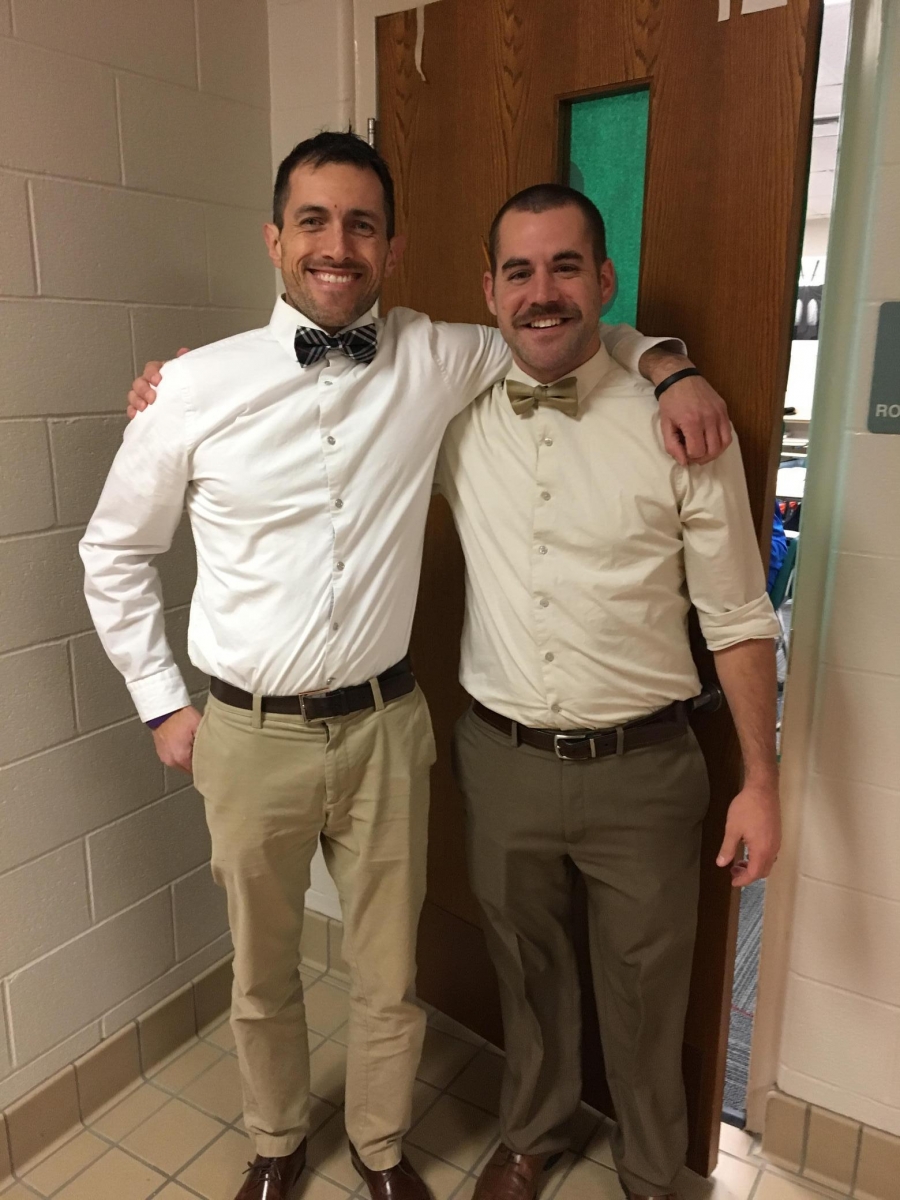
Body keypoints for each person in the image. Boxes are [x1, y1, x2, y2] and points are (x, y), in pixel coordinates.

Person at [98, 132, 730, 1200]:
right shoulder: (193, 390)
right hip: (244, 733)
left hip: (389, 726)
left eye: (360, 225)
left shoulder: (448, 353)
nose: (336, 246)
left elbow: (573, 333)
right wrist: (163, 705)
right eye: (314, 221)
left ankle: (383, 1152)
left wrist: (674, 365)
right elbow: (112, 552)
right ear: (275, 240)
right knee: (262, 975)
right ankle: (276, 1140)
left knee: (390, 976)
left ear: (393, 247)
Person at [431, 185, 782, 1200]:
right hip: (499, 760)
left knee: (647, 988)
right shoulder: (451, 406)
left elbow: (740, 616)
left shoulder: (685, 425)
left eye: (565, 267)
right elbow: (333, 381)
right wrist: (189, 383)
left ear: (604, 280)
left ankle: (651, 1170)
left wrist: (761, 779)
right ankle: (531, 1130)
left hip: (646, 770)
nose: (543, 293)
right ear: (489, 292)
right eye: (519, 271)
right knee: (524, 970)